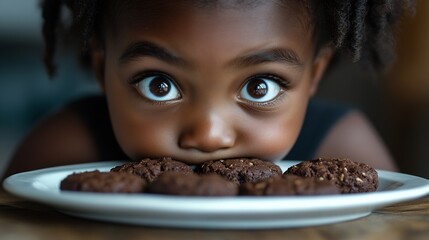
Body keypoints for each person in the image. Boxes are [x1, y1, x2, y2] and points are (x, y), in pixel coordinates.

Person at [3, 0, 413, 177]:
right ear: (102, 68)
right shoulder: (60, 153)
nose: (208, 134)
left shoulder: (344, 148)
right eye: (159, 85)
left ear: (315, 75)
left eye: (259, 87)